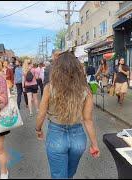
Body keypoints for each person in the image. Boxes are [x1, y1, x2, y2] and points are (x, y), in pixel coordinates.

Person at [35, 51, 100, 179]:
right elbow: (88, 120)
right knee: (69, 175)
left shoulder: (49, 88)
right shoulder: (85, 89)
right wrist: (94, 144)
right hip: (78, 139)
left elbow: (41, 114)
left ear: (57, 69)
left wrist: (38, 130)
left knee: (59, 176)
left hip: (56, 135)